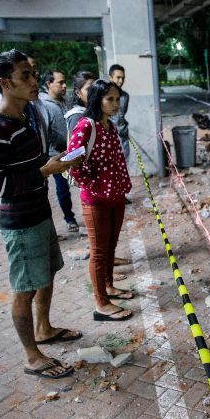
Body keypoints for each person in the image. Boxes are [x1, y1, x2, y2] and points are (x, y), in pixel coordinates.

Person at [0, 49, 84, 379]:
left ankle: (45, 328)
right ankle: (32, 356)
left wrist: (60, 159)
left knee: (46, 275)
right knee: (25, 288)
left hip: (40, 212)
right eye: (26, 76)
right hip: (20, 223)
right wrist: (44, 172)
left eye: (33, 73)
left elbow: (35, 163)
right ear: (6, 83)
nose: (34, 80)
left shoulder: (29, 115)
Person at [68, 79, 134, 321]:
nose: (116, 104)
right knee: (98, 251)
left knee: (110, 246)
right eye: (110, 99)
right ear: (97, 100)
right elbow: (73, 162)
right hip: (96, 200)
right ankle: (102, 304)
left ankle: (109, 286)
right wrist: (91, 184)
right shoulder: (86, 127)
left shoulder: (110, 127)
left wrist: (120, 186)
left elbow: (118, 160)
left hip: (116, 196)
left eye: (117, 99)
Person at [37, 70, 79, 232]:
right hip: (57, 156)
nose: (63, 86)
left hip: (72, 152)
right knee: (63, 188)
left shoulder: (66, 102)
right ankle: (69, 218)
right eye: (60, 82)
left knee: (80, 182)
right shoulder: (44, 106)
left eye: (64, 82)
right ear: (49, 84)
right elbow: (46, 132)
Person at [107, 64, 132, 205]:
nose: (120, 81)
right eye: (118, 77)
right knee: (110, 168)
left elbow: (121, 115)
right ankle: (111, 196)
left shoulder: (125, 96)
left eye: (123, 78)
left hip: (123, 135)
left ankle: (121, 195)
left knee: (123, 167)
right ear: (110, 77)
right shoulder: (103, 95)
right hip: (109, 137)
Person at [64, 71, 96, 136]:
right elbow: (75, 144)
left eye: (95, 88)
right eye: (89, 89)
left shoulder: (93, 111)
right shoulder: (76, 116)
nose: (94, 92)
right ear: (78, 93)